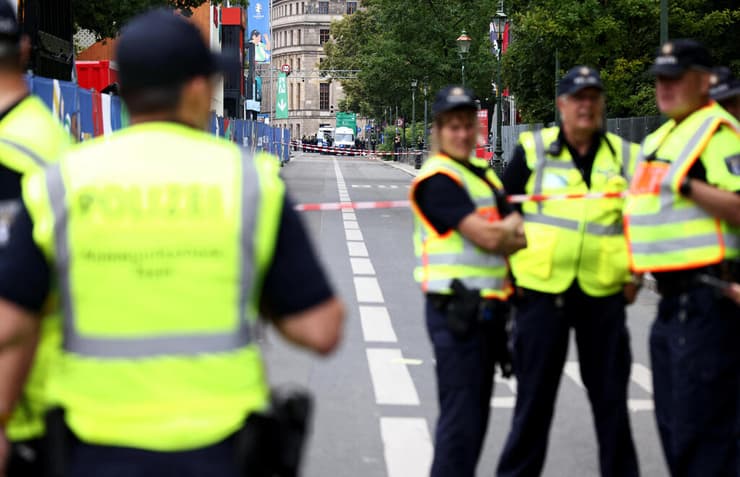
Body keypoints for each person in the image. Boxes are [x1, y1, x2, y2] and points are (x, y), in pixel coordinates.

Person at [0, 9, 344, 476]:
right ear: (198, 90)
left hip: (92, 446)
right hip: (220, 448)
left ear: (126, 93)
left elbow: (9, 326)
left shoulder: (63, 182)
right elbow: (320, 330)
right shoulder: (248, 182)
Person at [497, 66, 640, 477]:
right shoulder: (535, 150)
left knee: (612, 405)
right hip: (542, 294)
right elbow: (504, 212)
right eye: (577, 98)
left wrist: (633, 275)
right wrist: (510, 276)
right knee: (533, 405)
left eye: (593, 98)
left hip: (603, 294)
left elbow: (642, 222)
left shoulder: (625, 156)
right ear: (562, 105)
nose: (586, 106)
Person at [624, 39, 740, 476]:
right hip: (669, 301)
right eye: (660, 77)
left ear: (702, 81)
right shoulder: (661, 136)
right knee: (676, 434)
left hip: (706, 302)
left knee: (703, 443)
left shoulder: (717, 132)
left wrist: (688, 185)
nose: (664, 86)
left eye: (675, 78)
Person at [409, 85, 526, 477]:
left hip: (487, 313)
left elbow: (519, 235)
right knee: (460, 428)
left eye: (466, 126)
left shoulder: (482, 176)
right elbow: (494, 236)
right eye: (452, 126)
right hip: (456, 314)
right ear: (439, 131)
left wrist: (503, 232)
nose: (461, 134)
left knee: (473, 425)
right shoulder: (438, 178)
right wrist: (502, 231)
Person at [0, 3, 72, 475]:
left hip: (19, 410)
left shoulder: (12, 154)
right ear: (25, 50)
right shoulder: (52, 143)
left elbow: (16, 307)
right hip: (52, 401)